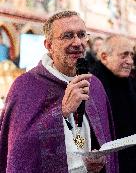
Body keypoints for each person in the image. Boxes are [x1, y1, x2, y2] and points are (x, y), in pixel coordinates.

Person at [0, 11, 118, 173]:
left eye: (82, 35)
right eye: (68, 36)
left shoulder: (95, 85)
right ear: (49, 45)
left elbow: (101, 137)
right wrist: (62, 111)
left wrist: (99, 160)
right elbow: (18, 151)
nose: (77, 42)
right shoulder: (25, 86)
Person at [91, 35, 136, 173]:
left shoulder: (130, 82)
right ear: (104, 57)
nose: (130, 61)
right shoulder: (89, 85)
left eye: (131, 55)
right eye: (124, 55)